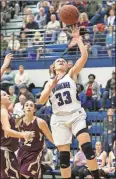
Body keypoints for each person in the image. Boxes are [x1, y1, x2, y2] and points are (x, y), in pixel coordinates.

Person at [38, 28, 101, 179]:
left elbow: (84, 56)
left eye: (63, 61)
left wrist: (77, 39)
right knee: (64, 159)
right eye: (57, 61)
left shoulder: (71, 74)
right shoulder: (49, 82)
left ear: (66, 66)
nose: (61, 61)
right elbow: (41, 101)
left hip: (75, 114)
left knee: (87, 148)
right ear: (53, 67)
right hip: (59, 119)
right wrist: (51, 87)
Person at [0, 90, 34, 179]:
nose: (8, 95)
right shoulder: (3, 111)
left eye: (7, 94)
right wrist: (23, 135)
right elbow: (7, 131)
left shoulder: (7, 112)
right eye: (4, 95)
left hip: (7, 152)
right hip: (5, 151)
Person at [17, 100, 54, 179]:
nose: (29, 107)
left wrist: (60, 147)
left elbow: (51, 138)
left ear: (34, 110)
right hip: (22, 152)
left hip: (34, 154)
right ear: (23, 109)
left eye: (31, 105)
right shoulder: (19, 121)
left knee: (23, 175)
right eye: (26, 105)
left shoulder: (41, 122)